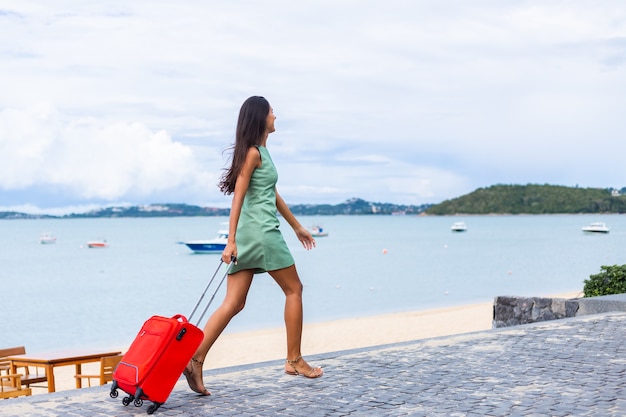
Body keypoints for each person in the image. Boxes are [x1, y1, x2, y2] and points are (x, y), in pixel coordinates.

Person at [183, 96, 323, 396]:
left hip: (251, 235)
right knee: (294, 290)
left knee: (234, 303)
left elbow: (271, 194)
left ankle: (195, 359)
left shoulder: (260, 152)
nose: (276, 115)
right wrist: (230, 240)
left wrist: (296, 226)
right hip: (261, 234)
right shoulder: (252, 154)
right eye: (272, 111)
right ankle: (294, 359)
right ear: (261, 118)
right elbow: (238, 197)